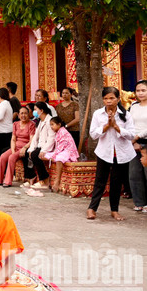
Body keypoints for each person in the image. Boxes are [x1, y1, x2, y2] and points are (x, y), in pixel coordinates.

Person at [87, 87, 136, 221]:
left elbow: (131, 135)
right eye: (106, 98)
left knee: (116, 182)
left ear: (118, 99)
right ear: (103, 100)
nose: (108, 101)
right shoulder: (98, 114)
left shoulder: (125, 114)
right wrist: (106, 126)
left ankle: (114, 210)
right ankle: (92, 209)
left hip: (121, 153)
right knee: (99, 181)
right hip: (104, 152)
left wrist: (116, 127)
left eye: (112, 98)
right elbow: (93, 134)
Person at [0, 107, 35, 187]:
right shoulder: (15, 124)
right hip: (15, 147)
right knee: (3, 156)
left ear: (29, 114)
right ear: (18, 115)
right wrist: (13, 150)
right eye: (21, 113)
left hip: (24, 147)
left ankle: (8, 181)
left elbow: (32, 140)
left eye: (25, 113)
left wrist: (24, 148)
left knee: (11, 158)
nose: (23, 115)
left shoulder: (31, 124)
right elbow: (13, 139)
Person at [42, 117, 79, 191]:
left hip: (68, 151)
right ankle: (47, 179)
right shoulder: (58, 132)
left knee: (59, 159)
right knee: (44, 156)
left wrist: (54, 155)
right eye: (50, 125)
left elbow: (62, 146)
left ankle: (57, 181)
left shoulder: (63, 132)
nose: (51, 127)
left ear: (59, 124)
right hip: (61, 151)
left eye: (53, 124)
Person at [25, 102, 55, 191]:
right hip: (40, 146)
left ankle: (44, 180)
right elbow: (35, 137)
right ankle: (31, 177)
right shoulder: (41, 121)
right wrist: (31, 148)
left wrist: (44, 150)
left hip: (47, 147)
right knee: (28, 154)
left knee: (35, 155)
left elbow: (51, 138)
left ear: (41, 110)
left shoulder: (50, 121)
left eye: (35, 110)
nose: (34, 112)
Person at [130, 80, 147, 212]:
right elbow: (129, 124)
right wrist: (133, 140)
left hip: (145, 141)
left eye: (143, 90)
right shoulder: (133, 106)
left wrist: (138, 136)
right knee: (135, 174)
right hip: (133, 144)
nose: (140, 93)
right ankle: (139, 202)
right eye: (138, 91)